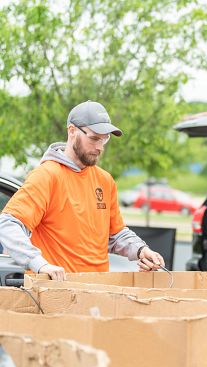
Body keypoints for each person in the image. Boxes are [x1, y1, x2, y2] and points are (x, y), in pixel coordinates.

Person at [0, 100, 165, 281]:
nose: (100, 147)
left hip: (97, 291)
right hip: (55, 294)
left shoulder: (105, 180)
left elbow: (115, 234)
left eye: (105, 139)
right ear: (72, 131)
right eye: (94, 138)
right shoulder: (46, 175)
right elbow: (8, 224)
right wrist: (39, 264)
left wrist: (141, 249)